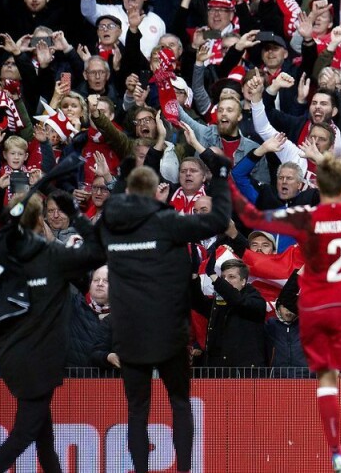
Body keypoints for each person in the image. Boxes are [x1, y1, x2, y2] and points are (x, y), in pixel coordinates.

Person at [230, 108, 341, 473]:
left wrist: (233, 227)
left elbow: (254, 219)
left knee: (326, 382)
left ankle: (334, 450)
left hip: (316, 310)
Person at [97, 150, 232, 473]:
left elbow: (112, 207)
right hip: (169, 331)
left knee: (137, 411)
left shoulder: (111, 228)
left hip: (129, 334)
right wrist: (223, 177)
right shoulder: (167, 222)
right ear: (158, 192)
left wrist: (118, 181)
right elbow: (217, 220)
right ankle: (184, 470)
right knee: (180, 403)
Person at [0, 191, 106, 473]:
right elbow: (98, 252)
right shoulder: (53, 257)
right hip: (40, 360)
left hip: (13, 356)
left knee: (43, 437)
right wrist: (74, 213)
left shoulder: (2, 261)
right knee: (24, 434)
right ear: (40, 220)